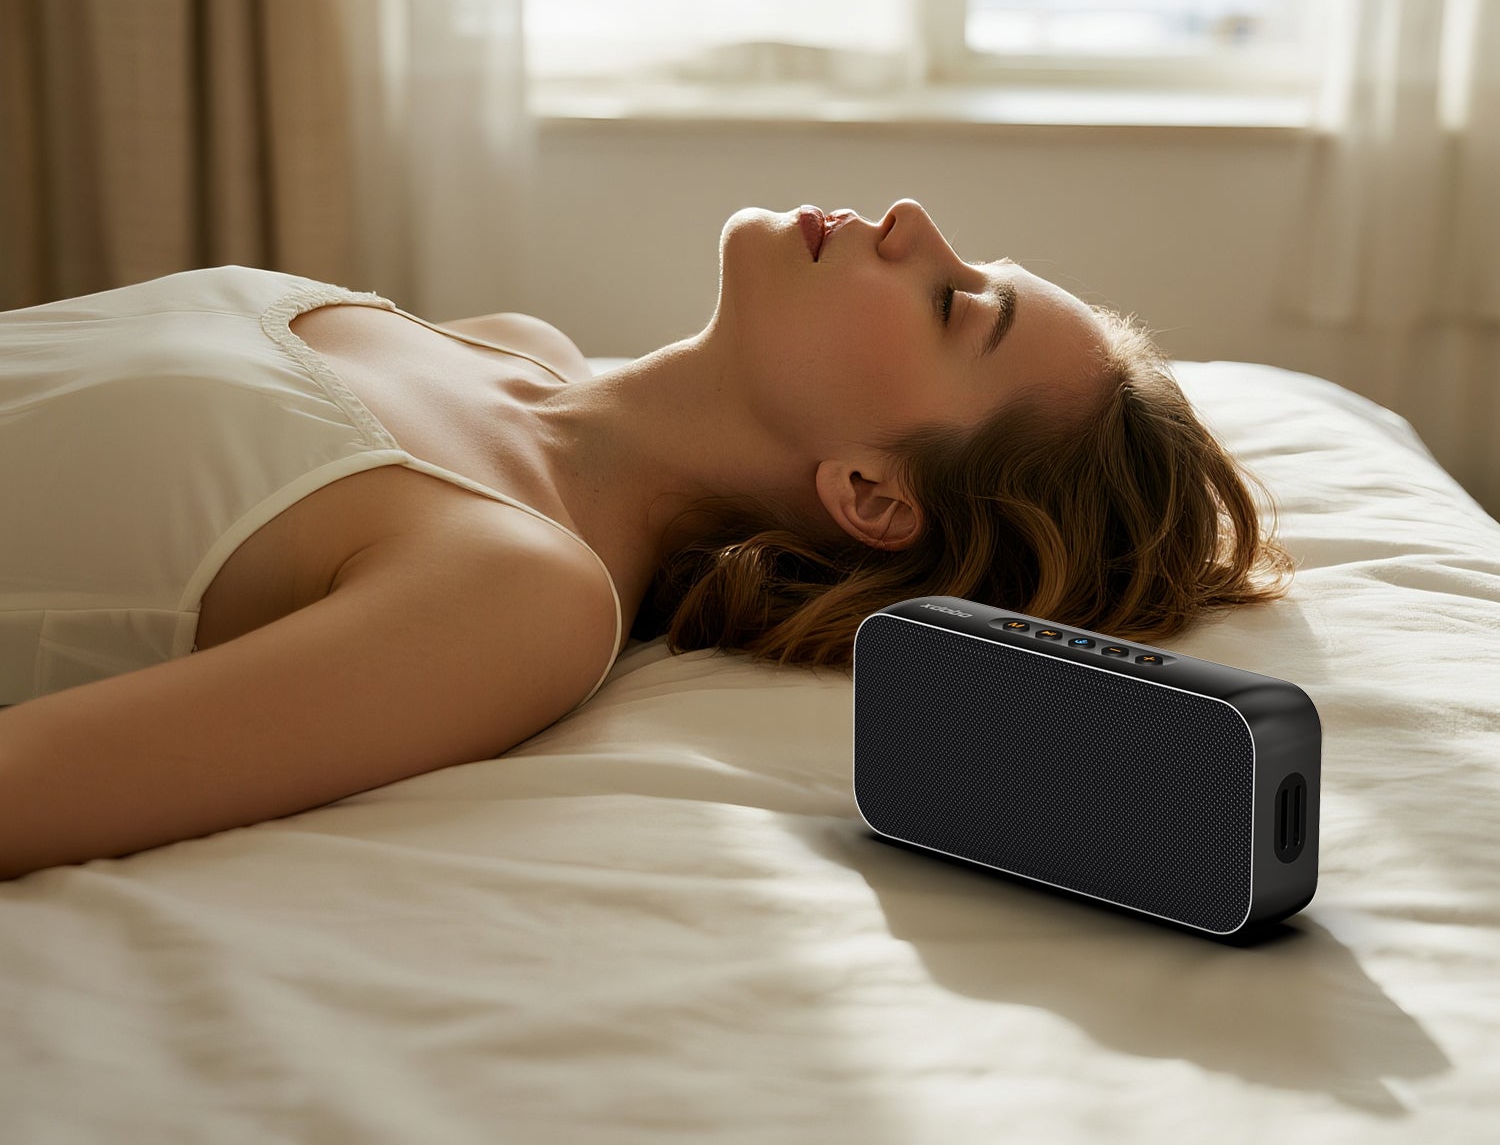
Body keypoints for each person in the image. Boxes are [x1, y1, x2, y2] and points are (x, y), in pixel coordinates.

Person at [0, 199, 1293, 877]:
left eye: (955, 306)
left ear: (874, 495)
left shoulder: (520, 597)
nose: (912, 222)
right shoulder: (515, 346)